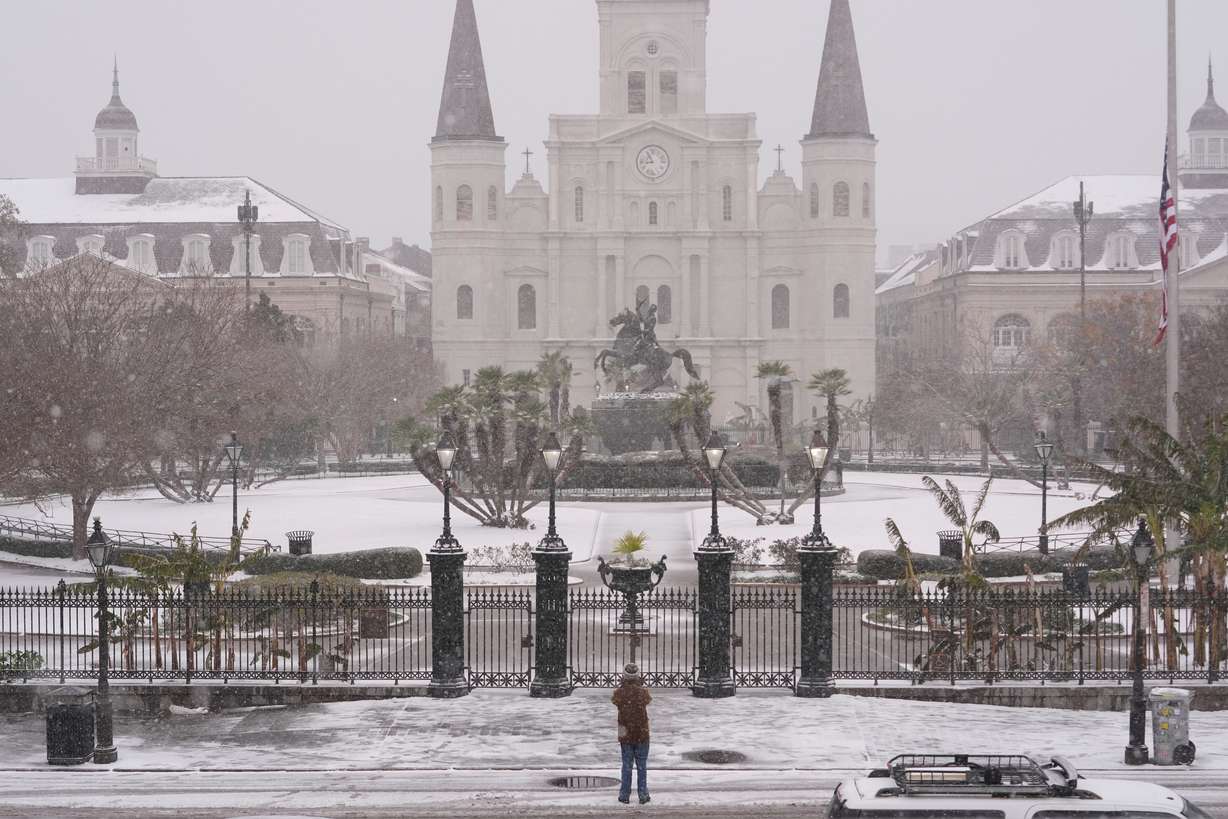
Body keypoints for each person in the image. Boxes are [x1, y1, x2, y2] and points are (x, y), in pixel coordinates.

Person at [611, 662, 651, 804]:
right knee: (642, 765)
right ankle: (642, 794)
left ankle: (624, 794)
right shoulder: (643, 693)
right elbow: (648, 700)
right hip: (641, 732)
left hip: (625, 732)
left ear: (624, 676)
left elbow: (614, 700)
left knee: (626, 765)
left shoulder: (619, 693)